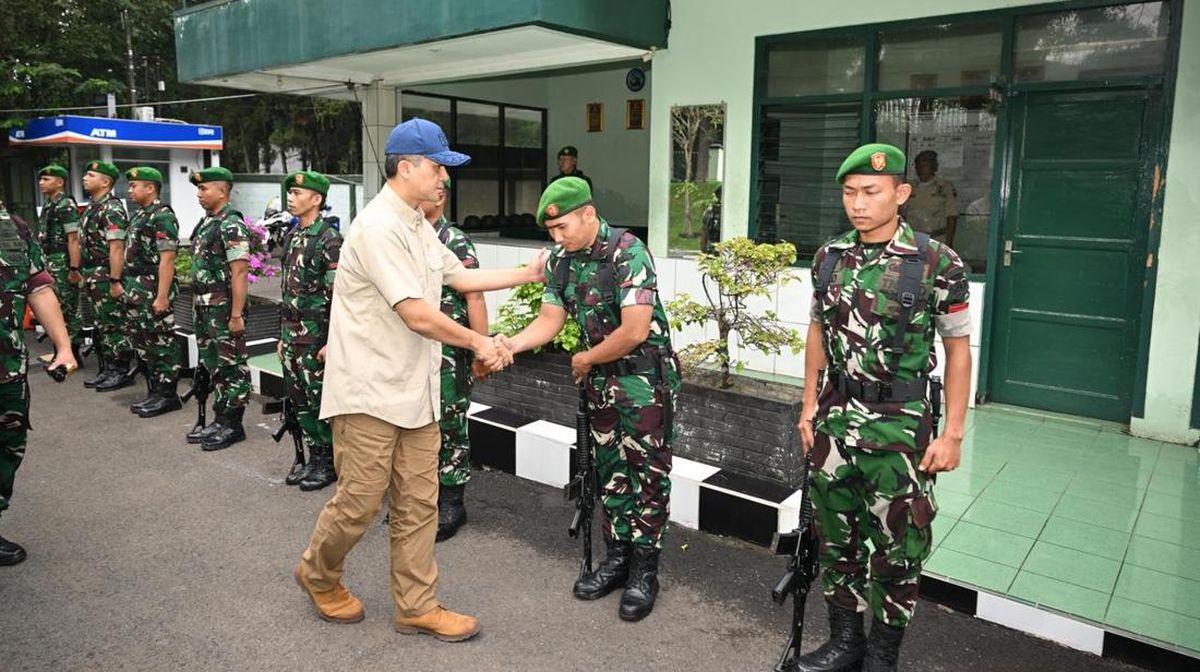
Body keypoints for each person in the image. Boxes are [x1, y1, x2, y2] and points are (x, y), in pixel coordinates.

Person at [293, 117, 547, 642]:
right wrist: (479, 342)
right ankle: (318, 572)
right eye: (437, 167)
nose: (444, 178)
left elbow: (458, 276)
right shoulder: (378, 227)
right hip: (369, 392)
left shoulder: (416, 224)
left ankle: (417, 605)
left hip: (417, 392)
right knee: (360, 502)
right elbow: (415, 313)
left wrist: (526, 274)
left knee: (418, 505)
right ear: (406, 167)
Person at [794, 143, 971, 672]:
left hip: (900, 429)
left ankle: (881, 655)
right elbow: (817, 333)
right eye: (849, 193)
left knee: (899, 548)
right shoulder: (829, 257)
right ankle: (845, 643)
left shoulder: (937, 262)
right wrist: (808, 406)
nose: (858, 203)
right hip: (836, 423)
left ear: (901, 193)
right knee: (836, 538)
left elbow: (959, 351)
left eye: (870, 192)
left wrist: (953, 434)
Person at [498, 176, 680, 622]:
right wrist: (509, 345)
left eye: (562, 227)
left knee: (647, 476)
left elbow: (634, 331)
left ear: (589, 214)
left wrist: (585, 358)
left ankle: (644, 572)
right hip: (600, 382)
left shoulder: (627, 252)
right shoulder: (562, 261)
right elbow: (550, 319)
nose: (556, 238)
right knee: (610, 472)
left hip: (643, 383)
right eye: (551, 231)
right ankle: (617, 559)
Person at [0, 200, 77, 566]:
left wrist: (64, 347)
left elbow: (39, 288)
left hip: (7, 367)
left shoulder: (12, 227)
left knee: (8, 449)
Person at [419, 177, 487, 542]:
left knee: (449, 425)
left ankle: (452, 503)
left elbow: (475, 296)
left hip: (448, 353)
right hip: (413, 351)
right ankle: (421, 499)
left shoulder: (454, 240)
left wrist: (481, 349)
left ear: (440, 195)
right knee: (416, 425)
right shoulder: (406, 236)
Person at [277, 170, 342, 490]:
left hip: (316, 335)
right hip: (292, 333)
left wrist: (333, 341)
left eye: (298, 193)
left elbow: (340, 295)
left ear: (316, 199)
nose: (291, 198)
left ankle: (327, 461)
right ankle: (314, 456)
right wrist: (282, 336)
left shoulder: (329, 239)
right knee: (299, 398)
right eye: (290, 193)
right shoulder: (292, 236)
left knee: (318, 398)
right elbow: (286, 290)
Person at [186, 167, 251, 451]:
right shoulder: (208, 222)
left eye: (204, 189)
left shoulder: (231, 224)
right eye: (198, 189)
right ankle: (221, 417)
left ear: (222, 191)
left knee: (231, 365)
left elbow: (240, 272)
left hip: (224, 308)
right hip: (205, 307)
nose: (199, 194)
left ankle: (233, 424)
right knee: (214, 364)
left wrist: (236, 314)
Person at [122, 167, 183, 418]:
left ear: (150, 188)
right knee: (144, 342)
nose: (129, 190)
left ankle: (168, 395)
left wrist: (162, 296)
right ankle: (155, 391)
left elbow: (167, 259)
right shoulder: (140, 215)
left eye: (134, 185)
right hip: (137, 288)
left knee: (161, 342)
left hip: (152, 288)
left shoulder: (162, 216)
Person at [77, 160, 135, 391]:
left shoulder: (111, 209)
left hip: (106, 273)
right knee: (102, 324)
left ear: (105, 182)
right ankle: (109, 369)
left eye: (91, 175)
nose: (85, 178)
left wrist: (115, 279)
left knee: (114, 323)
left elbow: (117, 247)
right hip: (93, 273)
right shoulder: (93, 207)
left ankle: (121, 370)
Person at [35, 165, 83, 363]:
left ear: (60, 182)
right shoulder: (49, 204)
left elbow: (73, 238)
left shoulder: (65, 204)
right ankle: (60, 350)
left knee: (67, 307)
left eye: (46, 179)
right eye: (41, 179)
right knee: (55, 307)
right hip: (50, 261)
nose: (41, 183)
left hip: (62, 262)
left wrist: (74, 268)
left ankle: (72, 353)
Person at [901, 150, 958, 246]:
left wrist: (949, 243)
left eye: (924, 166)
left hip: (936, 239)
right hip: (912, 239)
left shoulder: (944, 187)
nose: (920, 169)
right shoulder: (910, 187)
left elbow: (951, 216)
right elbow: (902, 215)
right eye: (918, 166)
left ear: (934, 167)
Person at [699, 185, 722, 254]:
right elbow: (705, 229)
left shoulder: (711, 209)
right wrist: (703, 246)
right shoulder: (711, 210)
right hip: (713, 245)